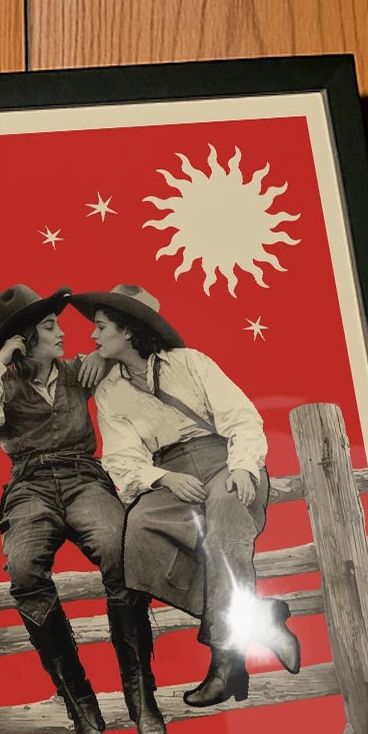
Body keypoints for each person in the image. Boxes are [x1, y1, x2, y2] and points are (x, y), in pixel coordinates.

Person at [0, 284, 165, 734]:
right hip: (29, 486)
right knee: (23, 570)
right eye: (50, 327)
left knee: (119, 548)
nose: (63, 332)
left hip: (84, 476)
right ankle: (82, 711)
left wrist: (105, 359)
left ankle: (141, 697)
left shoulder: (79, 372)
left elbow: (127, 359)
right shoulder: (0, 385)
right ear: (25, 339)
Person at [75, 283, 300, 707]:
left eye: (100, 327)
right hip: (171, 473)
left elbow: (241, 416)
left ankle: (225, 662)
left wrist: (244, 465)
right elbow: (122, 457)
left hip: (223, 460)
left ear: (128, 331)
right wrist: (163, 478)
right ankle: (260, 617)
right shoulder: (109, 391)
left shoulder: (189, 363)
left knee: (225, 522)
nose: (92, 336)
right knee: (139, 531)